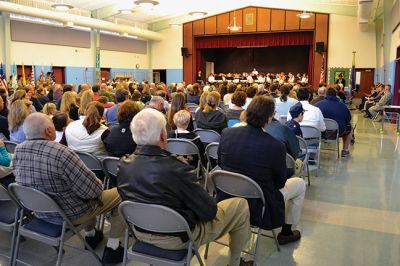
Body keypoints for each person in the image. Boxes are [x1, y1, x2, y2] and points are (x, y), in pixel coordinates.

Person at [117, 108, 253, 266]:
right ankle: (236, 262)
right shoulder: (177, 168)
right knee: (240, 204)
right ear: (163, 134)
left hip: (139, 231)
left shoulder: (123, 164)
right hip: (178, 237)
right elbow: (209, 212)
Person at [13, 113, 124, 264]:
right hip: (70, 214)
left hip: (39, 211)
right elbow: (93, 191)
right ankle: (113, 247)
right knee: (122, 192)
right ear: (48, 131)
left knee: (77, 190)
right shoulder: (61, 152)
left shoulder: (18, 150)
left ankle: (91, 234)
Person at [218, 96, 306, 245]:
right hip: (259, 202)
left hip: (226, 195)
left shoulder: (227, 133)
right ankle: (286, 232)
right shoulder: (276, 146)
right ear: (270, 118)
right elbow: (280, 182)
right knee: (300, 184)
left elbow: (221, 163)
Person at [315, 88, 353, 157]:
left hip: (321, 132)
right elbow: (348, 119)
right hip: (338, 132)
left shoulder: (318, 105)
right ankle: (345, 150)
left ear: (326, 95)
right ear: (336, 95)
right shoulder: (343, 106)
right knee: (350, 128)